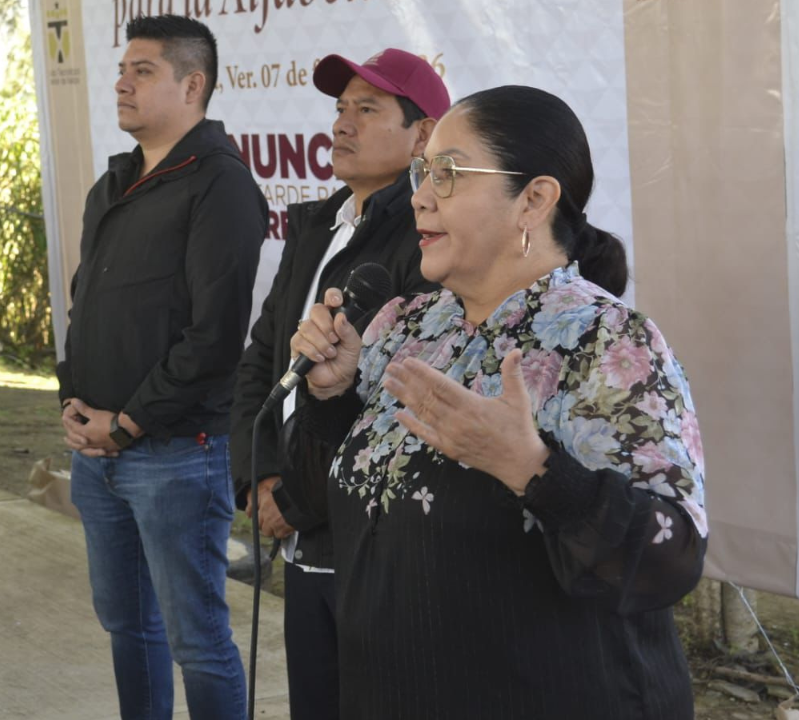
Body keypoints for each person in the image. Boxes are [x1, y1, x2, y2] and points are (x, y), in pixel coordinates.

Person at [289, 85, 707, 719]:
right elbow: (321, 508)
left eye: (448, 173)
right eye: (423, 172)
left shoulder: (608, 341)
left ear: (533, 200)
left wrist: (533, 469)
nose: (420, 196)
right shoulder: (405, 328)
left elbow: (668, 561)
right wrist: (331, 396)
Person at [57, 14, 265, 720]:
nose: (122, 83)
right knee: (127, 624)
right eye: (123, 69)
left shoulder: (220, 184)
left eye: (143, 71)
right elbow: (85, 307)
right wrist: (72, 402)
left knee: (196, 641)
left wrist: (128, 423)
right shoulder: (114, 182)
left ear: (193, 85)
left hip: (175, 455)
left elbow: (214, 338)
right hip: (98, 454)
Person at [228, 49, 445, 720]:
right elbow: (263, 359)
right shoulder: (318, 225)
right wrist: (259, 478)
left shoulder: (429, 241)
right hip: (300, 539)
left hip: (372, 543)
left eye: (367, 109)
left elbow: (402, 403)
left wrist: (295, 500)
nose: (343, 124)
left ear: (423, 135)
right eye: (341, 108)